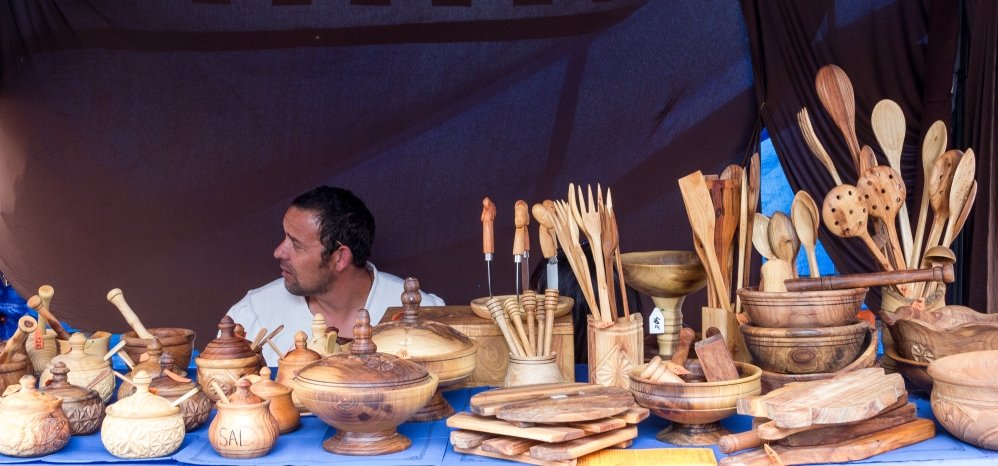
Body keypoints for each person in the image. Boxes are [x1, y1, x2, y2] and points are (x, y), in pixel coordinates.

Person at [227, 186, 444, 364]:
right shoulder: (250, 316)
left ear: (340, 258)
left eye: (296, 244)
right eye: (285, 237)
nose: (278, 252)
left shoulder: (425, 314)